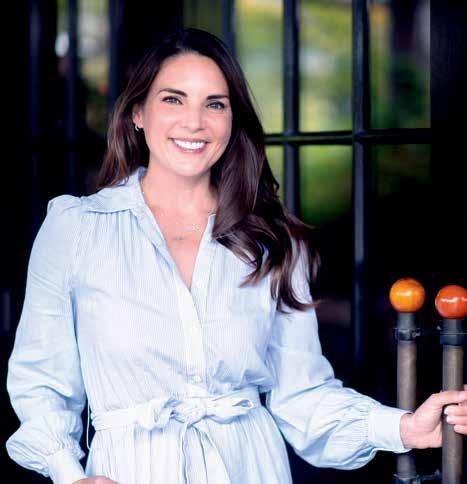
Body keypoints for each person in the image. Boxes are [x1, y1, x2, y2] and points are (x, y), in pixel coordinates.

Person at [5, 28, 467, 484]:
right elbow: (41, 380)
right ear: (137, 113)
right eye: (173, 99)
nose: (194, 122)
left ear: (232, 120)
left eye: (215, 104)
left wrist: (403, 427)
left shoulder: (271, 240)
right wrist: (70, 474)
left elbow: (302, 395)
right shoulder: (76, 229)